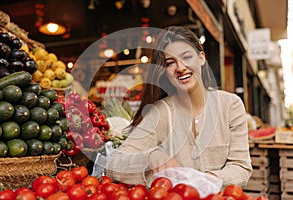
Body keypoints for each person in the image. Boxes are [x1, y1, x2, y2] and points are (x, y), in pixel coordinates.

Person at [105, 26, 253, 188]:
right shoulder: (160, 113)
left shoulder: (230, 105)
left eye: (187, 57)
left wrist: (206, 179)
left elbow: (241, 168)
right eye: (170, 63)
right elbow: (113, 165)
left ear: (201, 58)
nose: (181, 67)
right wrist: (151, 157)